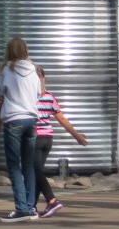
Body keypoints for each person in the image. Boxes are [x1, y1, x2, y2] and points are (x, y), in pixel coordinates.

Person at [0, 36, 42, 222]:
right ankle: (30, 206)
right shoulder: (34, 71)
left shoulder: (5, 70)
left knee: (14, 165)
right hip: (31, 120)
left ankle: (21, 208)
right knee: (28, 165)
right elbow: (38, 93)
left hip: (13, 120)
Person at [33, 69, 88, 217]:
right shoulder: (50, 97)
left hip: (36, 139)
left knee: (35, 171)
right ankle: (31, 205)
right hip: (47, 140)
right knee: (37, 171)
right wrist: (76, 135)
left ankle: (51, 200)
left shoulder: (30, 97)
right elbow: (61, 119)